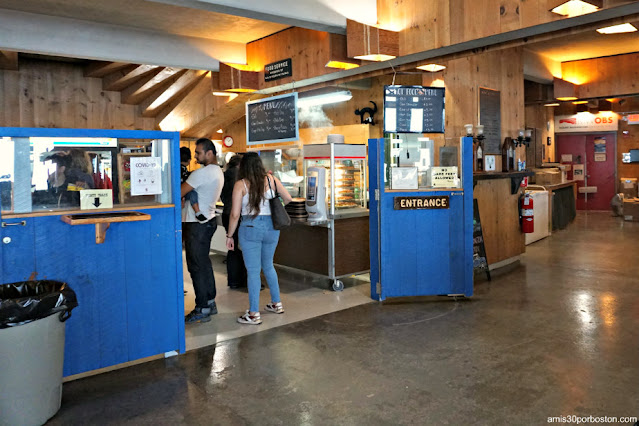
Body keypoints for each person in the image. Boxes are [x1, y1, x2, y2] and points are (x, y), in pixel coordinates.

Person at [225, 152, 292, 325]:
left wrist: (229, 235)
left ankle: (254, 313)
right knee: (268, 265)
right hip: (271, 227)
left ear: (243, 166)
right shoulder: (271, 179)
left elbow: (234, 214)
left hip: (250, 227)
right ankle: (276, 303)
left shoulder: (241, 184)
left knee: (253, 271)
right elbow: (288, 198)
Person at [181, 138, 224, 324]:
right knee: (204, 264)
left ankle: (202, 307)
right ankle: (210, 302)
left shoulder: (201, 174)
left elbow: (179, 192)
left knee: (196, 267)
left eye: (198, 152)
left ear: (210, 153)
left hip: (196, 225)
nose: (196, 156)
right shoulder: (218, 172)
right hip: (209, 221)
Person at [221, 154, 247, 289]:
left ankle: (233, 281)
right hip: (237, 215)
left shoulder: (224, 175)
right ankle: (244, 280)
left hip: (226, 214)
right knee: (243, 249)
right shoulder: (240, 178)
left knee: (232, 248)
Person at [180, 146, 207, 223]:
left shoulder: (175, 167)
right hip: (182, 191)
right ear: (189, 160)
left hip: (177, 193)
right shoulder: (183, 169)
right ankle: (197, 211)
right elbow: (186, 180)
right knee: (193, 193)